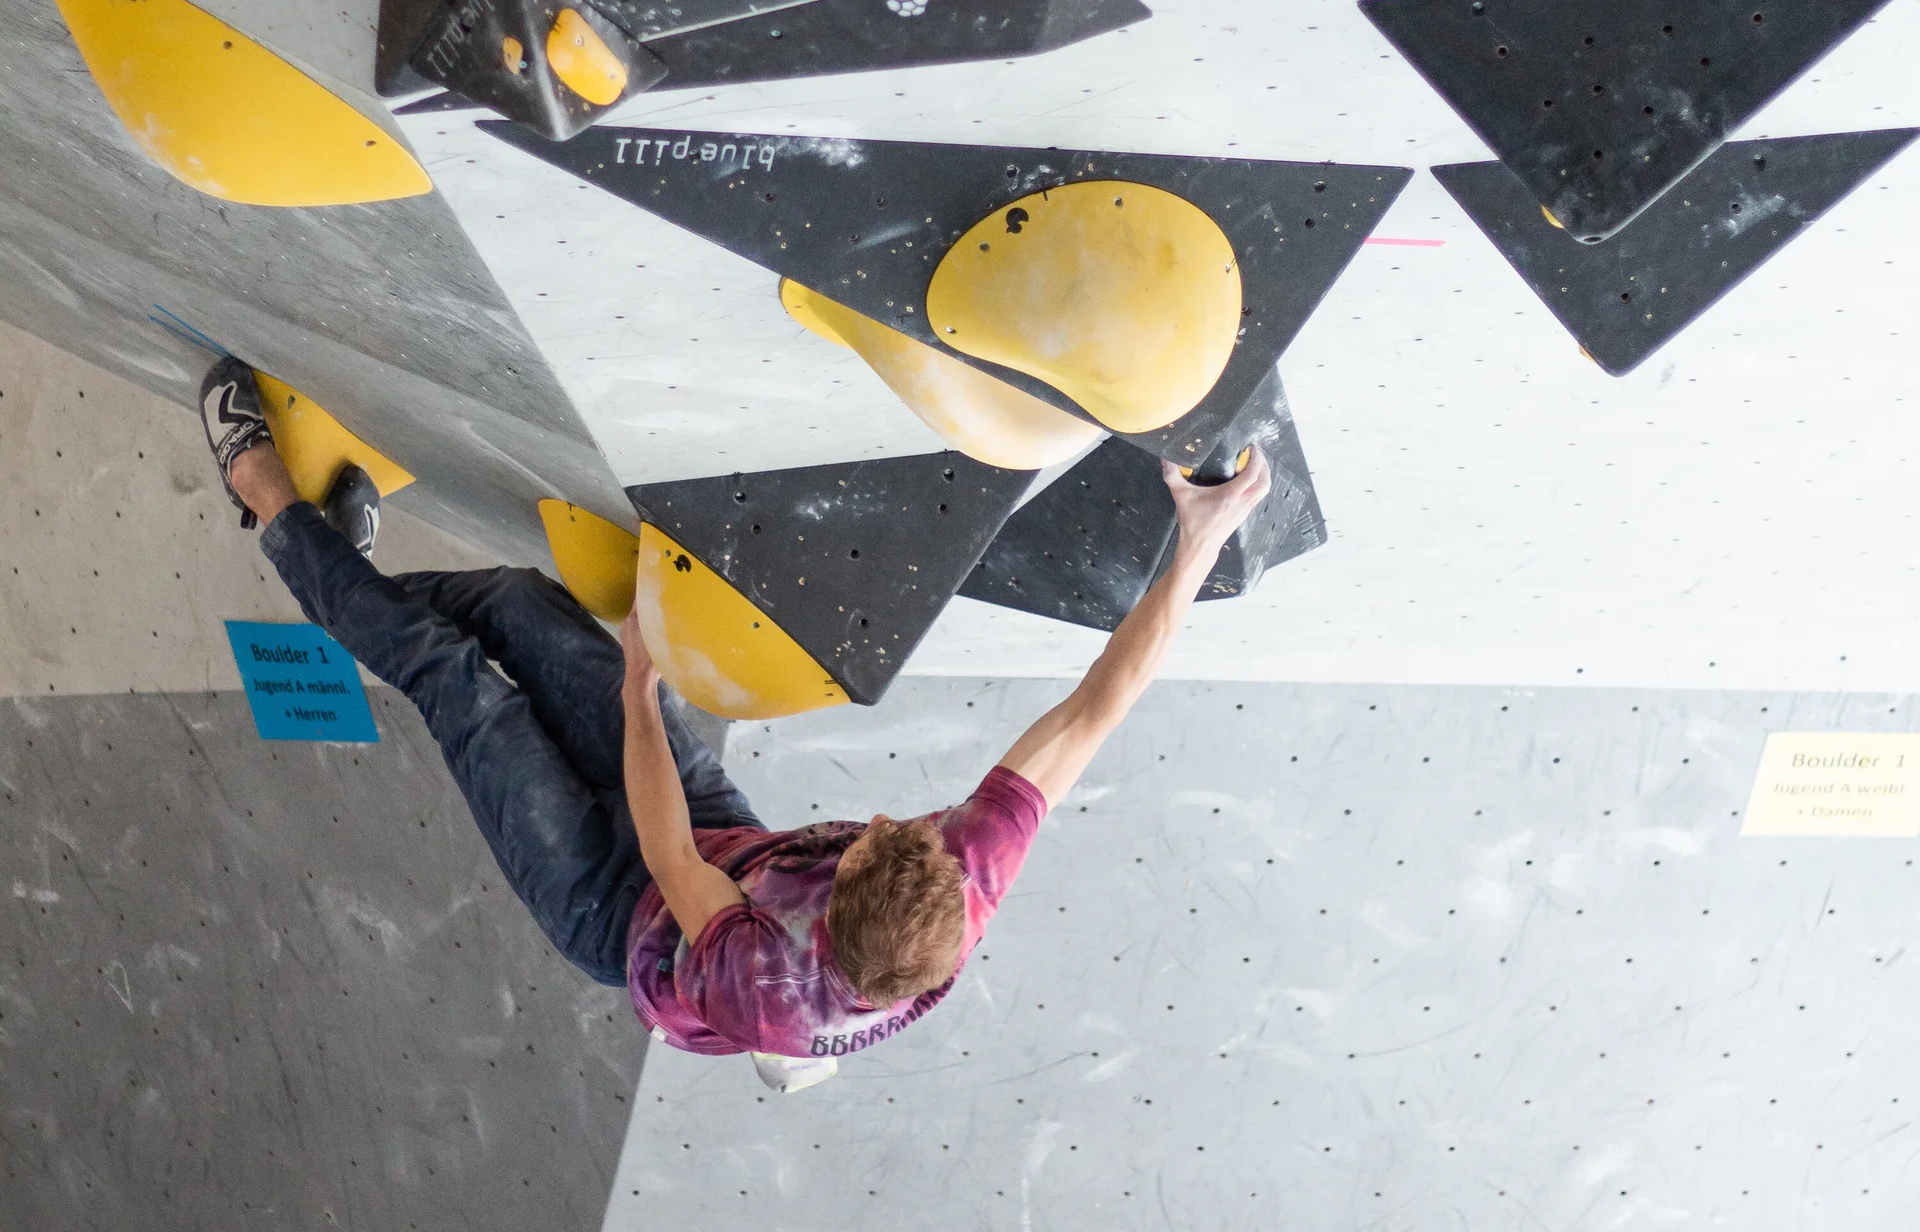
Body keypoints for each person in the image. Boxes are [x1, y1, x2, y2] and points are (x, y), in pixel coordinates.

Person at [199, 356, 1271, 1091]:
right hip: (729, 842)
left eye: (866, 850)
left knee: (455, 681)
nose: (887, 821)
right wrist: (1197, 548)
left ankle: (268, 499)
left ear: (825, 917)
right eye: (903, 835)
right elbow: (1099, 705)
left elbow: (664, 853)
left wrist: (638, 692)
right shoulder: (965, 875)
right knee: (520, 604)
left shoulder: (770, 984)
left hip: (613, 906)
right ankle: (344, 583)